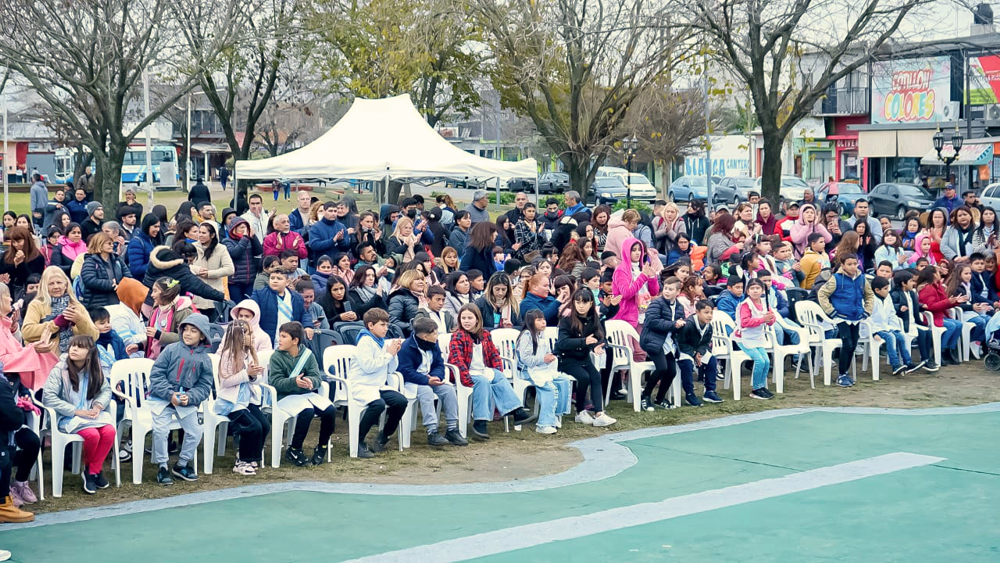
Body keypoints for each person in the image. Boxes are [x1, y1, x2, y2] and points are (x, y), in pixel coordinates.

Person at [448, 304, 535, 440]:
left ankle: (517, 411)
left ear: (477, 319)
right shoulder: (458, 337)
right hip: (463, 373)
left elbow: (494, 355)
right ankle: (480, 422)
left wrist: (496, 371)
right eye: (463, 318)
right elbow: (457, 361)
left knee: (498, 376)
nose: (466, 321)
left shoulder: (485, 335)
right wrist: (467, 379)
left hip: (482, 370)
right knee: (482, 382)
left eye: (470, 318)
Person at [42, 335, 115, 494]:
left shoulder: (95, 369)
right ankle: (93, 471)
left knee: (110, 431)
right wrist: (75, 411)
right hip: (66, 417)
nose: (74, 349)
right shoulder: (60, 370)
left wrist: (98, 405)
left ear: (89, 353)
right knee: (92, 435)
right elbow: (48, 396)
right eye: (72, 346)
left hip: (88, 414)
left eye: (80, 347)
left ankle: (92, 470)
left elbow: (106, 390)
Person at [148, 313, 213, 485]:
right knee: (161, 430)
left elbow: (205, 386)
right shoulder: (170, 349)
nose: (188, 334)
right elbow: (156, 375)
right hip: (162, 398)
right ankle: (162, 466)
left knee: (195, 431)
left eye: (193, 331)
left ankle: (182, 464)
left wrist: (190, 397)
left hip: (185, 401)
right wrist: (170, 394)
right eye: (185, 329)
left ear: (202, 335)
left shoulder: (205, 359)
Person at [348, 308, 413, 457]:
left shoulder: (381, 342)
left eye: (387, 325)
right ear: (371, 325)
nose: (386, 328)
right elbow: (369, 367)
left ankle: (384, 436)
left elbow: (390, 370)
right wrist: (388, 355)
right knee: (377, 405)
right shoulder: (365, 341)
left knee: (401, 401)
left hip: (377, 385)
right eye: (382, 325)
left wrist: (394, 354)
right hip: (361, 384)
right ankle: (358, 441)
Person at [397, 316, 464, 446]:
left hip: (431, 379)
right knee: (426, 391)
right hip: (412, 382)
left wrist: (436, 376)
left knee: (449, 390)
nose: (437, 335)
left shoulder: (433, 344)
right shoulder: (406, 348)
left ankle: (452, 429)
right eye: (434, 333)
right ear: (425, 337)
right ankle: (432, 431)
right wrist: (426, 380)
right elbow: (405, 371)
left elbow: (439, 364)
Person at [215, 319, 269, 475]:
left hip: (246, 400)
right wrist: (246, 374)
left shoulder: (249, 354)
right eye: (249, 334)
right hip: (231, 402)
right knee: (252, 426)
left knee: (264, 425)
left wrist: (253, 376)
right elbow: (225, 382)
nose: (253, 337)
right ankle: (241, 462)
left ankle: (251, 456)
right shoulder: (227, 355)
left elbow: (256, 380)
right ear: (239, 336)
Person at [555, 289, 613, 426]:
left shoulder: (594, 318)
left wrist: (598, 346)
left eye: (585, 302)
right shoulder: (567, 320)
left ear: (591, 303)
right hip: (566, 359)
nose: (581, 305)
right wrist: (583, 342)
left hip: (584, 358)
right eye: (578, 302)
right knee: (584, 377)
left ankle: (599, 413)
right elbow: (562, 343)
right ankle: (580, 411)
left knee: (596, 376)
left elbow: (600, 337)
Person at [818, 253, 875, 387]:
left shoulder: (862, 278)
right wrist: (831, 311)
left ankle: (846, 373)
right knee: (847, 343)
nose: (853, 267)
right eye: (849, 264)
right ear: (842, 265)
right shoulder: (836, 279)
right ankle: (841, 374)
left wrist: (867, 310)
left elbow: (869, 295)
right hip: (841, 317)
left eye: (855, 264)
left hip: (856, 317)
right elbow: (822, 293)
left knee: (853, 345)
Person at [516, 309, 573, 434]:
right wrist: (543, 359)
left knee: (564, 381)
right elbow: (525, 359)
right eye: (539, 320)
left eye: (543, 319)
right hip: (528, 371)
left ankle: (556, 415)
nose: (543, 322)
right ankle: (543, 423)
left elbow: (546, 352)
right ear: (531, 322)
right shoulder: (526, 336)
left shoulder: (541, 334)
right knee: (549, 388)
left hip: (543, 369)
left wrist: (550, 357)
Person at [141, 242, 227, 315]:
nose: (190, 264)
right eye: (190, 260)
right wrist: (220, 296)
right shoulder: (178, 268)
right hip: (161, 306)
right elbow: (198, 286)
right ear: (183, 256)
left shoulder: (161, 257)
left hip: (146, 301)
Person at [639, 276, 684, 410]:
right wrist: (673, 324)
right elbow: (652, 322)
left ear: (678, 292)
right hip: (652, 340)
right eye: (665, 288)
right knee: (662, 368)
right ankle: (645, 396)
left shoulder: (679, 306)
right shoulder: (656, 303)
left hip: (668, 343)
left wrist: (682, 325)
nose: (667, 292)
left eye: (671, 289)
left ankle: (660, 398)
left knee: (672, 372)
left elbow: (680, 323)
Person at [869, 276, 919, 376]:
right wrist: (873, 332)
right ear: (877, 290)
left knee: (900, 336)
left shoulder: (888, 298)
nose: (888, 291)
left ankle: (908, 362)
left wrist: (896, 328)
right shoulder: (870, 300)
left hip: (886, 327)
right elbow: (867, 318)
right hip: (874, 328)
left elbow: (892, 314)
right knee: (890, 337)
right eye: (885, 289)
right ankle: (895, 365)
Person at [734, 279, 775, 399]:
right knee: (759, 361)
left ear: (762, 290)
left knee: (766, 362)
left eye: (758, 288)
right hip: (744, 338)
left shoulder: (765, 303)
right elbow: (745, 322)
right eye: (752, 288)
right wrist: (763, 320)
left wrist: (770, 319)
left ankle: (761, 386)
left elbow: (772, 320)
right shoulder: (746, 305)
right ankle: (756, 389)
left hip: (757, 338)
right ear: (747, 291)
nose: (755, 291)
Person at [250, 269, 313, 346]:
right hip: (268, 340)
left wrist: (308, 326)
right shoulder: (259, 295)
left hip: (290, 340)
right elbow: (250, 311)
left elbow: (304, 314)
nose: (275, 281)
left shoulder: (297, 297)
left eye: (279, 279)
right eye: (272, 278)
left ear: (287, 282)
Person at [678, 299, 723, 404]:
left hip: (697, 352)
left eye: (711, 312)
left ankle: (710, 391)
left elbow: (706, 343)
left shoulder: (709, 326)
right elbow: (680, 343)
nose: (709, 315)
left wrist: (699, 353)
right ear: (697, 312)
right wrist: (694, 354)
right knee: (687, 364)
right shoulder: (688, 325)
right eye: (706, 312)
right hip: (684, 352)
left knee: (712, 360)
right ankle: (689, 394)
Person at [612, 237, 660, 333]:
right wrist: (643, 277)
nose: (638, 253)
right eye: (634, 250)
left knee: (642, 347)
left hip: (645, 313)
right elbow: (626, 293)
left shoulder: (643, 268)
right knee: (632, 347)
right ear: (626, 251)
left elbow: (654, 292)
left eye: (639, 250)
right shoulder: (621, 270)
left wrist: (652, 278)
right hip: (627, 317)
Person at [890, 270, 936, 372]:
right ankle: (924, 360)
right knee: (922, 333)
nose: (913, 283)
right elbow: (891, 306)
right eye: (911, 281)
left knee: (927, 332)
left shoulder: (911, 293)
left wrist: (921, 306)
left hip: (912, 322)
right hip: (904, 324)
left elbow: (913, 306)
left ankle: (927, 358)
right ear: (903, 283)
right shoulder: (895, 294)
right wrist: (899, 308)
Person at [191, 223, 234, 322]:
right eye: (199, 232)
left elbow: (230, 269)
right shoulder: (192, 247)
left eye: (204, 233)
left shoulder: (221, 249)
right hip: (196, 296)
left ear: (213, 235)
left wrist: (211, 274)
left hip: (215, 296)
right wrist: (197, 270)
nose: (200, 235)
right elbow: (184, 266)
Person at [79, 233, 131, 309]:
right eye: (109, 243)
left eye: (112, 243)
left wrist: (121, 285)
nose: (112, 245)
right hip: (97, 305)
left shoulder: (117, 260)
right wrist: (111, 284)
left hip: (118, 303)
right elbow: (89, 280)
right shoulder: (90, 261)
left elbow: (128, 276)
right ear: (99, 244)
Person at [224, 218, 263, 302]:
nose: (245, 230)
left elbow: (258, 251)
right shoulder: (227, 241)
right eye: (242, 227)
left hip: (249, 280)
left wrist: (253, 238)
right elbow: (234, 253)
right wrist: (245, 238)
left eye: (246, 227)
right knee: (237, 305)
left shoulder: (249, 240)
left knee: (248, 304)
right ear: (234, 229)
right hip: (235, 281)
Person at [0, 227, 45, 298]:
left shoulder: (38, 257)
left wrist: (21, 264)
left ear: (27, 240)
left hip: (27, 294)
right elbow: (3, 272)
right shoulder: (6, 255)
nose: (16, 245)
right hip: (6, 292)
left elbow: (32, 279)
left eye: (18, 241)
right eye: (13, 242)